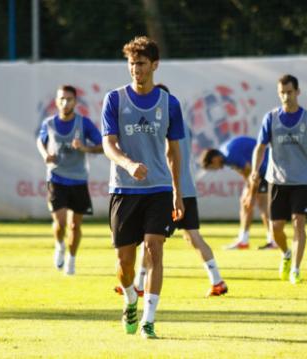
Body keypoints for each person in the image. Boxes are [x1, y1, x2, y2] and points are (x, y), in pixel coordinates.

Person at [101, 36, 184, 339]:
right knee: (124, 262)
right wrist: (128, 164)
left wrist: (177, 190)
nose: (136, 69)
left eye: (141, 63)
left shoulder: (169, 104)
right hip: (123, 189)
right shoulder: (114, 99)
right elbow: (108, 145)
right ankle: (130, 299)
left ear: (155, 65)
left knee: (154, 249)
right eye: (132, 63)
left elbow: (175, 152)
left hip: (159, 189)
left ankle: (149, 319)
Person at [115, 83, 227, 298]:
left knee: (150, 240)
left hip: (166, 189)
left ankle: (138, 284)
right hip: (186, 188)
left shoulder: (162, 124)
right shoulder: (183, 125)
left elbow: (169, 155)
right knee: (191, 237)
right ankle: (217, 280)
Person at [249, 74, 307, 284]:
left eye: (289, 92)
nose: (286, 96)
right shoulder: (271, 118)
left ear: (298, 92)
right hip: (277, 181)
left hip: (301, 181)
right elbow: (260, 147)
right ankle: (285, 253)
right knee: (275, 229)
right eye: (282, 93)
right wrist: (254, 171)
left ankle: (295, 269)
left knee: (298, 223)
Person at [36, 85, 103, 275]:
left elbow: (102, 146)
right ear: (56, 101)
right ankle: (59, 245)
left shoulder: (84, 124)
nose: (65, 103)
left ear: (75, 102)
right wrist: (45, 155)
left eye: (69, 99)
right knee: (61, 221)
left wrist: (85, 148)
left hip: (79, 180)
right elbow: (40, 141)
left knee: (75, 225)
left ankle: (71, 261)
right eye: (61, 99)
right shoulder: (49, 123)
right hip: (56, 177)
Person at [200, 136, 275, 250]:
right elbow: (245, 172)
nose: (216, 169)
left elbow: (252, 174)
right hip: (258, 171)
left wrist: (251, 194)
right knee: (245, 203)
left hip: (265, 167)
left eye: (212, 167)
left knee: (262, 205)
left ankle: (273, 241)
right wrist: (249, 192)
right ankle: (243, 240)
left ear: (214, 159)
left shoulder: (229, 155)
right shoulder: (225, 155)